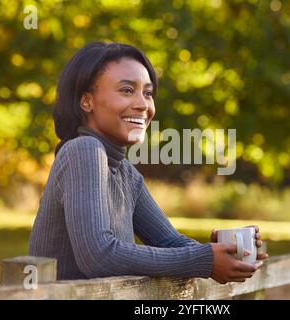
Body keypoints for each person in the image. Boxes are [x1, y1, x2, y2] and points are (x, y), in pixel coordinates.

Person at [29, 42, 269, 284]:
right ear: (86, 101)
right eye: (126, 90)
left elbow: (169, 242)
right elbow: (98, 256)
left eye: (148, 93)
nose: (143, 105)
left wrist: (222, 251)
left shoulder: (125, 172)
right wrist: (204, 258)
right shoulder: (83, 150)